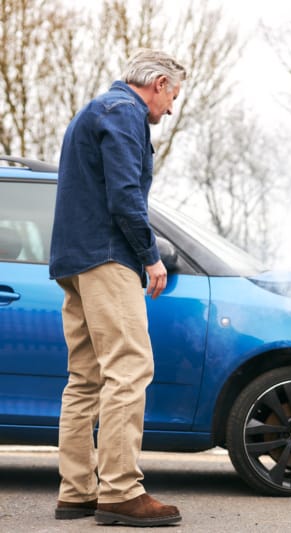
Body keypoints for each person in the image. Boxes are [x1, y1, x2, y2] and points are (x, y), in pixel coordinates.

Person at [49, 49, 187, 526]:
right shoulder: (125, 112)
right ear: (160, 83)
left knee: (85, 378)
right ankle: (120, 491)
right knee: (129, 367)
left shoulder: (94, 110)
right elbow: (125, 194)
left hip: (73, 260)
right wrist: (151, 257)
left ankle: (77, 492)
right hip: (108, 257)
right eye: (173, 98)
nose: (169, 109)